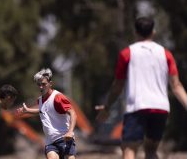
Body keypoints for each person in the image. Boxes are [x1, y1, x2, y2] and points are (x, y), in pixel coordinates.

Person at [95, 17, 187, 159]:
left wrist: (107, 107)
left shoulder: (127, 53)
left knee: (129, 149)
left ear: (135, 32)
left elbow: (118, 85)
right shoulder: (166, 54)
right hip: (160, 108)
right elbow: (176, 85)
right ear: (153, 32)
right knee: (151, 150)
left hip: (137, 107)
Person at [17, 68, 77, 159]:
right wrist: (27, 110)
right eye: (39, 84)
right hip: (50, 142)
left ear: (50, 84)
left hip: (64, 138)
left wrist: (70, 132)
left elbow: (73, 113)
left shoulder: (58, 97)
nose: (41, 87)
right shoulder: (40, 100)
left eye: (44, 84)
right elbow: (44, 111)